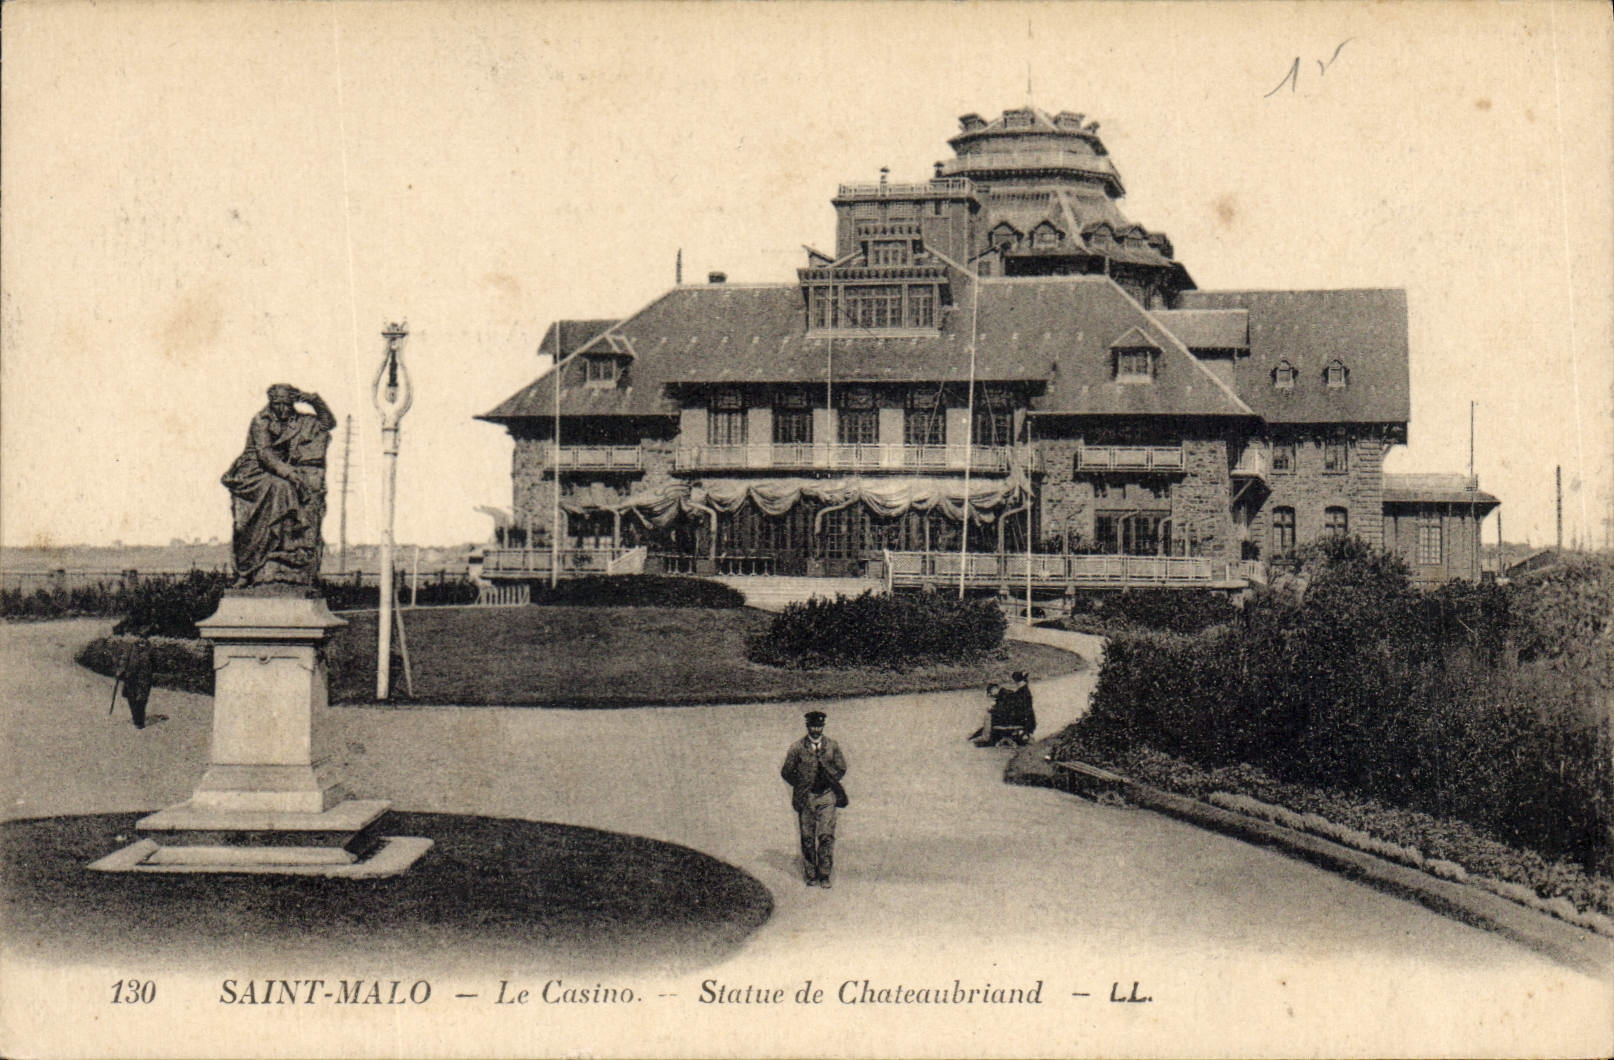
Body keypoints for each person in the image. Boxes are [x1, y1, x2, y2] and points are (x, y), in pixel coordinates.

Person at [221, 384, 337, 587]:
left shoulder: (299, 421)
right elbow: (265, 455)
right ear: (271, 403)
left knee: (284, 488)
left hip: (278, 472)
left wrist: (313, 400)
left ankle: (283, 549)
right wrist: (291, 474)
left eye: (286, 404)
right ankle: (250, 565)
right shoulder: (261, 420)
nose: (282, 409)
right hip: (254, 471)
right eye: (277, 404)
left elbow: (328, 423)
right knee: (281, 487)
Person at [780, 710, 847, 888]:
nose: (816, 730)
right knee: (808, 837)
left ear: (823, 726)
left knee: (826, 835)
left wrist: (830, 778)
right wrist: (802, 785)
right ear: (808, 727)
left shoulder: (832, 746)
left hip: (827, 796)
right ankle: (811, 874)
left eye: (819, 726)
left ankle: (824, 874)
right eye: (813, 726)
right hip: (807, 797)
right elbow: (786, 772)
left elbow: (841, 767)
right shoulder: (797, 748)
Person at [114, 630, 154, 730]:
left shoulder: (151, 650)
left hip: (144, 679)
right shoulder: (131, 648)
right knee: (131, 699)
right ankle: (136, 717)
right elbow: (124, 659)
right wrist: (120, 670)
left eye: (145, 638)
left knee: (142, 699)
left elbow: (156, 664)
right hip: (130, 678)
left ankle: (139, 721)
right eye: (141, 637)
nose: (142, 640)